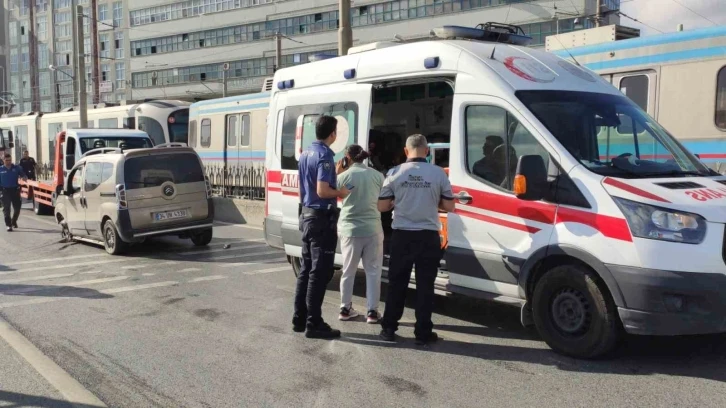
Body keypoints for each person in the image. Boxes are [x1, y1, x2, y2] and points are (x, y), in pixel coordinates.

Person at [378, 134, 455, 345]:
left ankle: (389, 329)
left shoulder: (394, 173)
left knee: (397, 284)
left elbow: (382, 206)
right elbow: (450, 206)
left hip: (402, 235)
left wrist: (397, 201)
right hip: (428, 236)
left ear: (406, 151)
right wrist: (432, 199)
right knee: (425, 286)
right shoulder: (438, 173)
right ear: (427, 151)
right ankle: (423, 332)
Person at [293, 115, 350, 339]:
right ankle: (314, 323)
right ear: (333, 134)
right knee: (320, 271)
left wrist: (333, 172)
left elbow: (307, 186)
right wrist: (341, 192)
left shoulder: (306, 153)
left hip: (307, 215)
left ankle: (299, 318)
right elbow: (323, 191)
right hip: (321, 218)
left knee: (306, 270)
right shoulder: (325, 154)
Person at [335, 144, 385, 324]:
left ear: (347, 157)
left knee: (348, 271)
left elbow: (332, 193)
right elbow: (382, 198)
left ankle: (345, 308)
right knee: (373, 271)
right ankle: (372, 312)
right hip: (373, 229)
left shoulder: (343, 176)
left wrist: (338, 171)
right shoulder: (377, 175)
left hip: (350, 230)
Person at [0, 154, 28, 232]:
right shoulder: (1, 169)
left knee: (17, 208)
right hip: (4, 191)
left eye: (10, 160)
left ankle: (13, 221)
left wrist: (24, 177)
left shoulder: (16, 168)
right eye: (6, 160)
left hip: (15, 190)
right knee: (6, 209)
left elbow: (23, 174)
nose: (8, 162)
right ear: (3, 161)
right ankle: (8, 225)